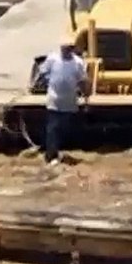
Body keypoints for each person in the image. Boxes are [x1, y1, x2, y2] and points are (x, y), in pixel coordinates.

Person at [41, 35, 90, 166]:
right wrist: (46, 82)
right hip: (54, 100)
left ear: (72, 49)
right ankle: (51, 155)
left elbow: (82, 81)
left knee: (64, 127)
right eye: (63, 48)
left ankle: (59, 150)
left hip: (69, 101)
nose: (65, 50)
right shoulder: (52, 59)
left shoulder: (78, 63)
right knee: (53, 128)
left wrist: (86, 97)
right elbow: (43, 72)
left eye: (68, 48)